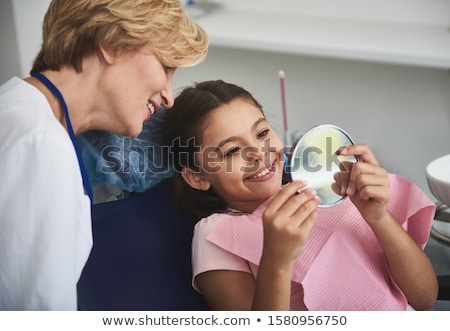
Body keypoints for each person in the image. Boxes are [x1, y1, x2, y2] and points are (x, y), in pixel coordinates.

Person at [0, 0, 208, 310]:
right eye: (165, 67)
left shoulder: (21, 110)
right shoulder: (42, 143)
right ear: (112, 44)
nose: (168, 97)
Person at [163, 80, 438, 310]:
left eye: (261, 132)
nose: (259, 153)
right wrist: (277, 260)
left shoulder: (325, 190)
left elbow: (424, 298)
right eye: (233, 151)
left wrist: (379, 218)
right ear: (197, 176)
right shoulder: (214, 234)